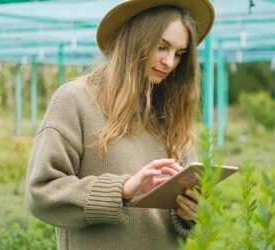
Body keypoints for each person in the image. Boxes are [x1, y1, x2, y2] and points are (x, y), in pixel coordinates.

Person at [25, 0, 215, 249]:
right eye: (161, 47)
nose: (170, 62)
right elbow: (42, 192)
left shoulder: (171, 111)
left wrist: (191, 213)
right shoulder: (75, 100)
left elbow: (188, 205)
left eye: (179, 53)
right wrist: (122, 190)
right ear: (134, 40)